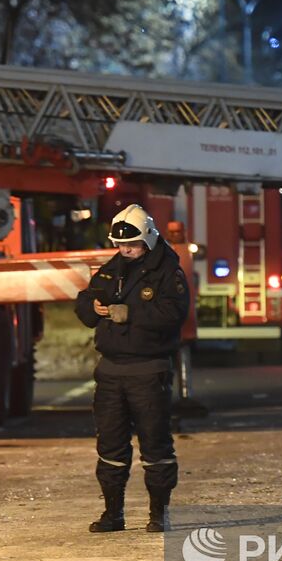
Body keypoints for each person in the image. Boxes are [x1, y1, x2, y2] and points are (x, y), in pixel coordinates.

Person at [74, 204, 190, 533]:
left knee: (155, 445)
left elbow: (173, 314)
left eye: (131, 245)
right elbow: (85, 299)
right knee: (110, 446)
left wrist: (131, 313)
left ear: (148, 239)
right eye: (120, 245)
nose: (125, 250)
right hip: (111, 371)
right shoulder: (115, 267)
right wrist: (92, 307)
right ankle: (113, 513)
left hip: (148, 369)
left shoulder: (168, 272)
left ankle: (158, 513)